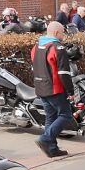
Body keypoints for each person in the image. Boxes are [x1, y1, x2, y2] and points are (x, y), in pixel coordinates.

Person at [31, 22, 74, 158]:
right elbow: (63, 73)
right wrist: (71, 92)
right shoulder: (58, 47)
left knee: (51, 117)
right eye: (62, 32)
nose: (64, 35)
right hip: (55, 89)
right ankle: (46, 139)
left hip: (40, 88)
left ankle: (52, 149)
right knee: (66, 115)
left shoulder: (36, 47)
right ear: (56, 33)